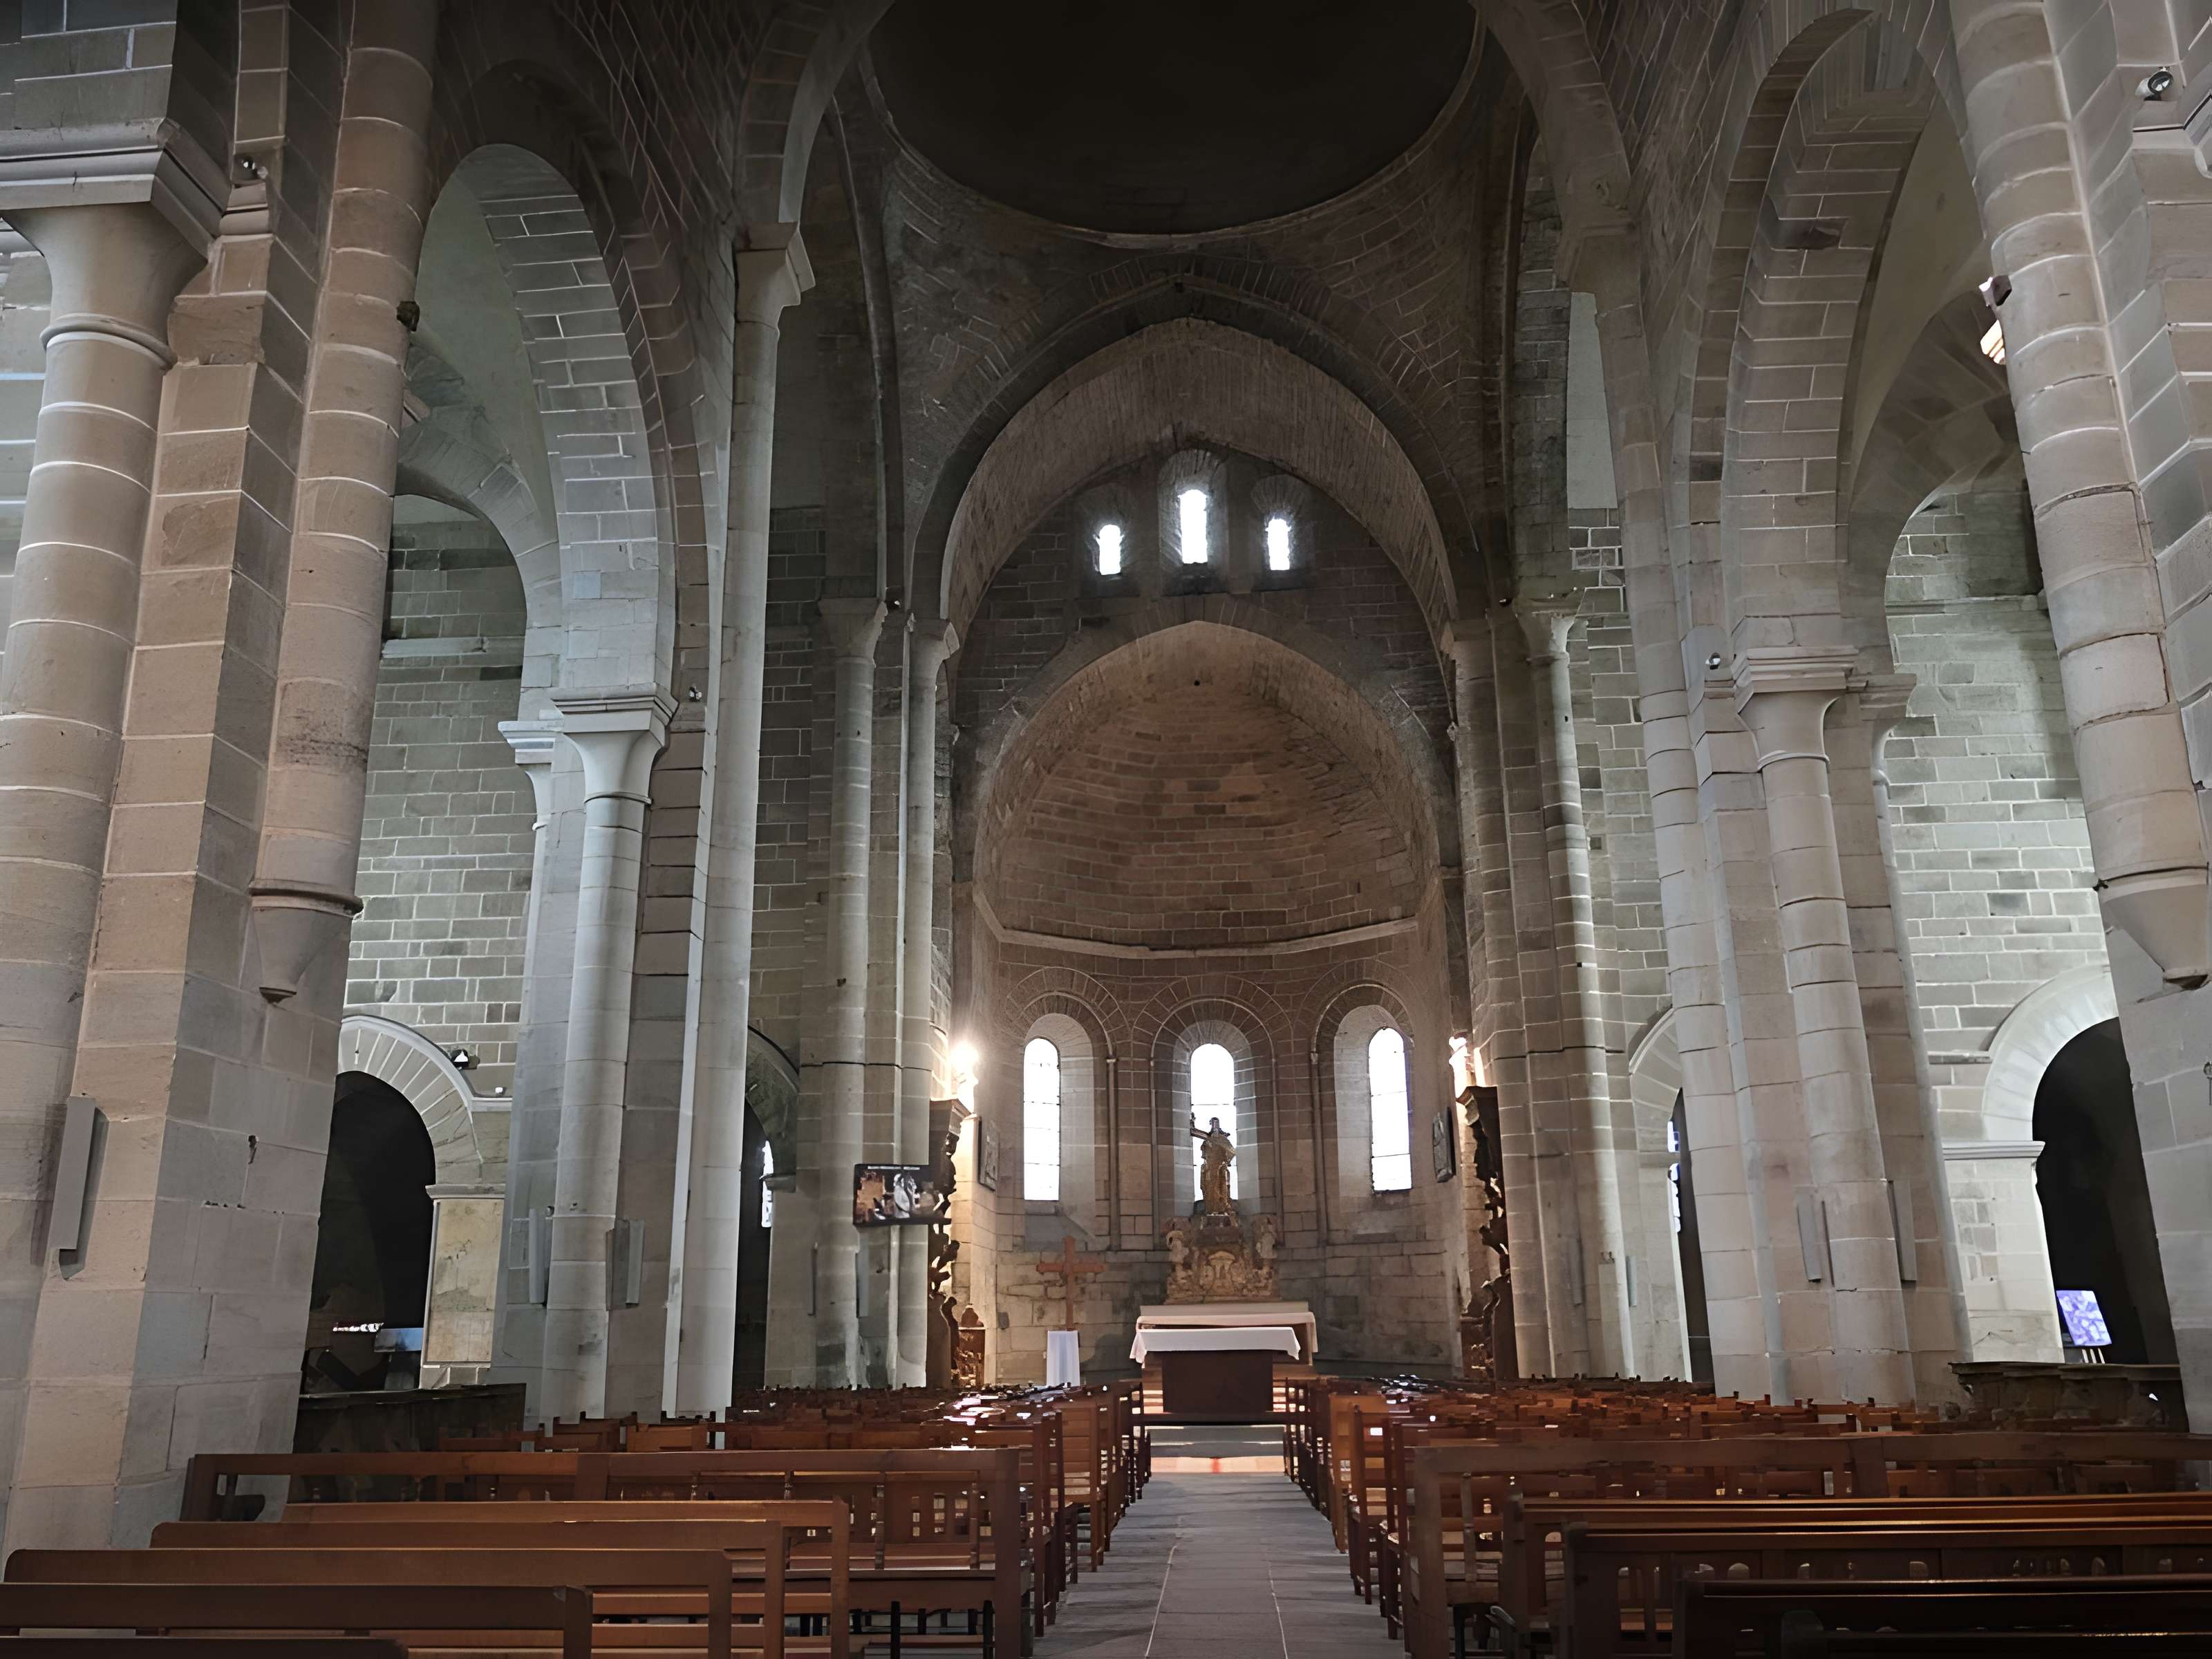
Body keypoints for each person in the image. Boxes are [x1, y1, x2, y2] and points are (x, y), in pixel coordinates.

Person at [1190, 1115, 1235, 1214]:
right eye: (1214, 1123)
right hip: (1209, 1168)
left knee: (1223, 1186)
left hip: (1221, 1168)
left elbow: (1231, 1151)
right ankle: (1212, 1208)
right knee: (1209, 1187)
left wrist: (1224, 1161)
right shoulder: (1208, 1139)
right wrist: (1192, 1123)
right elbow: (1194, 1132)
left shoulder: (1223, 1140)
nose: (1215, 1126)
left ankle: (1223, 1207)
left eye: (1217, 1123)